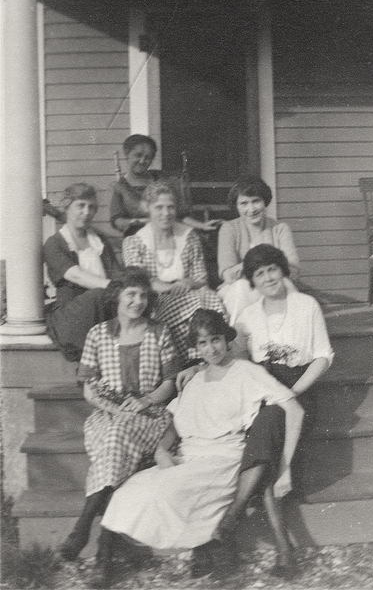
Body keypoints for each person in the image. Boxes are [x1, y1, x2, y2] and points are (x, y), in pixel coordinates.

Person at [90, 309, 303, 588]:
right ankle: (107, 562)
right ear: (196, 347)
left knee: (167, 491)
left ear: (226, 340)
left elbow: (294, 409)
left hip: (222, 456)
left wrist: (284, 468)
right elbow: (175, 422)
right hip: (187, 456)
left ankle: (211, 547)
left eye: (215, 340)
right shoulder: (193, 379)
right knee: (130, 491)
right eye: (202, 343)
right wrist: (161, 450)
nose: (211, 348)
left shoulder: (247, 372)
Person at [216, 244, 334, 576]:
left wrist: (290, 392)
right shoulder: (248, 317)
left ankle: (235, 515)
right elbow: (229, 355)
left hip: (300, 390)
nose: (268, 277)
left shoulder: (306, 305)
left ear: (282, 269)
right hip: (265, 392)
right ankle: (284, 554)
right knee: (266, 450)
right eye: (259, 273)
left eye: (272, 269)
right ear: (251, 281)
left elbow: (323, 357)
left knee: (265, 438)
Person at [59, 267, 180, 562]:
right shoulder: (98, 334)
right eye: (131, 294)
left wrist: (146, 401)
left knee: (114, 440)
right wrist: (113, 409)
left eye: (142, 295)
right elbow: (89, 390)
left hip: (149, 416)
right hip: (107, 414)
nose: (137, 301)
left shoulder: (159, 332)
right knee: (113, 435)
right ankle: (105, 544)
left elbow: (171, 381)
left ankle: (83, 526)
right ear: (116, 296)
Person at [122, 180, 225, 364]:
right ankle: (187, 363)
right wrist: (170, 287)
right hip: (154, 301)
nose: (165, 213)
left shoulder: (189, 236)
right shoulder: (134, 242)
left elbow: (201, 278)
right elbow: (138, 282)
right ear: (147, 208)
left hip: (189, 294)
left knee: (208, 298)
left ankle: (206, 360)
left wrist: (187, 283)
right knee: (201, 304)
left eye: (170, 207)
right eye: (159, 207)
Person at [44, 183, 120, 362]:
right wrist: (112, 286)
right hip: (72, 314)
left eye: (91, 207)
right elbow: (74, 274)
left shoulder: (99, 240)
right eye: (81, 205)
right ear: (67, 207)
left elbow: (116, 272)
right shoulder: (55, 243)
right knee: (99, 295)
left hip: (104, 304)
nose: (87, 212)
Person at [217, 176, 300, 323]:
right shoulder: (229, 229)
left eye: (256, 201)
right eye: (244, 203)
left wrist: (249, 268)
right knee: (241, 288)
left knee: (286, 287)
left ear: (264, 202)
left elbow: (292, 269)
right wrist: (265, 262)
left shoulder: (280, 229)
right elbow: (228, 275)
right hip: (237, 291)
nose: (251, 209)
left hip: (273, 285)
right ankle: (237, 340)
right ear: (236, 206)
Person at [110, 134, 221, 237]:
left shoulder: (162, 180)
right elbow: (117, 221)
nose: (142, 160)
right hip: (137, 238)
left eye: (148, 157)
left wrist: (202, 225)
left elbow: (180, 215)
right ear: (126, 154)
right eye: (138, 155)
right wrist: (142, 221)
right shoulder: (120, 186)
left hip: (169, 236)